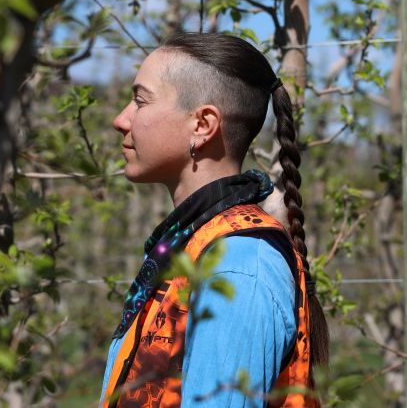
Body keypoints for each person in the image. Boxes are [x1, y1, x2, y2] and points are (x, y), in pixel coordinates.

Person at [100, 32, 329, 407]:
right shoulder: (191, 245)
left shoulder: (238, 266)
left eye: (141, 101)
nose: (120, 119)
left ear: (203, 125)